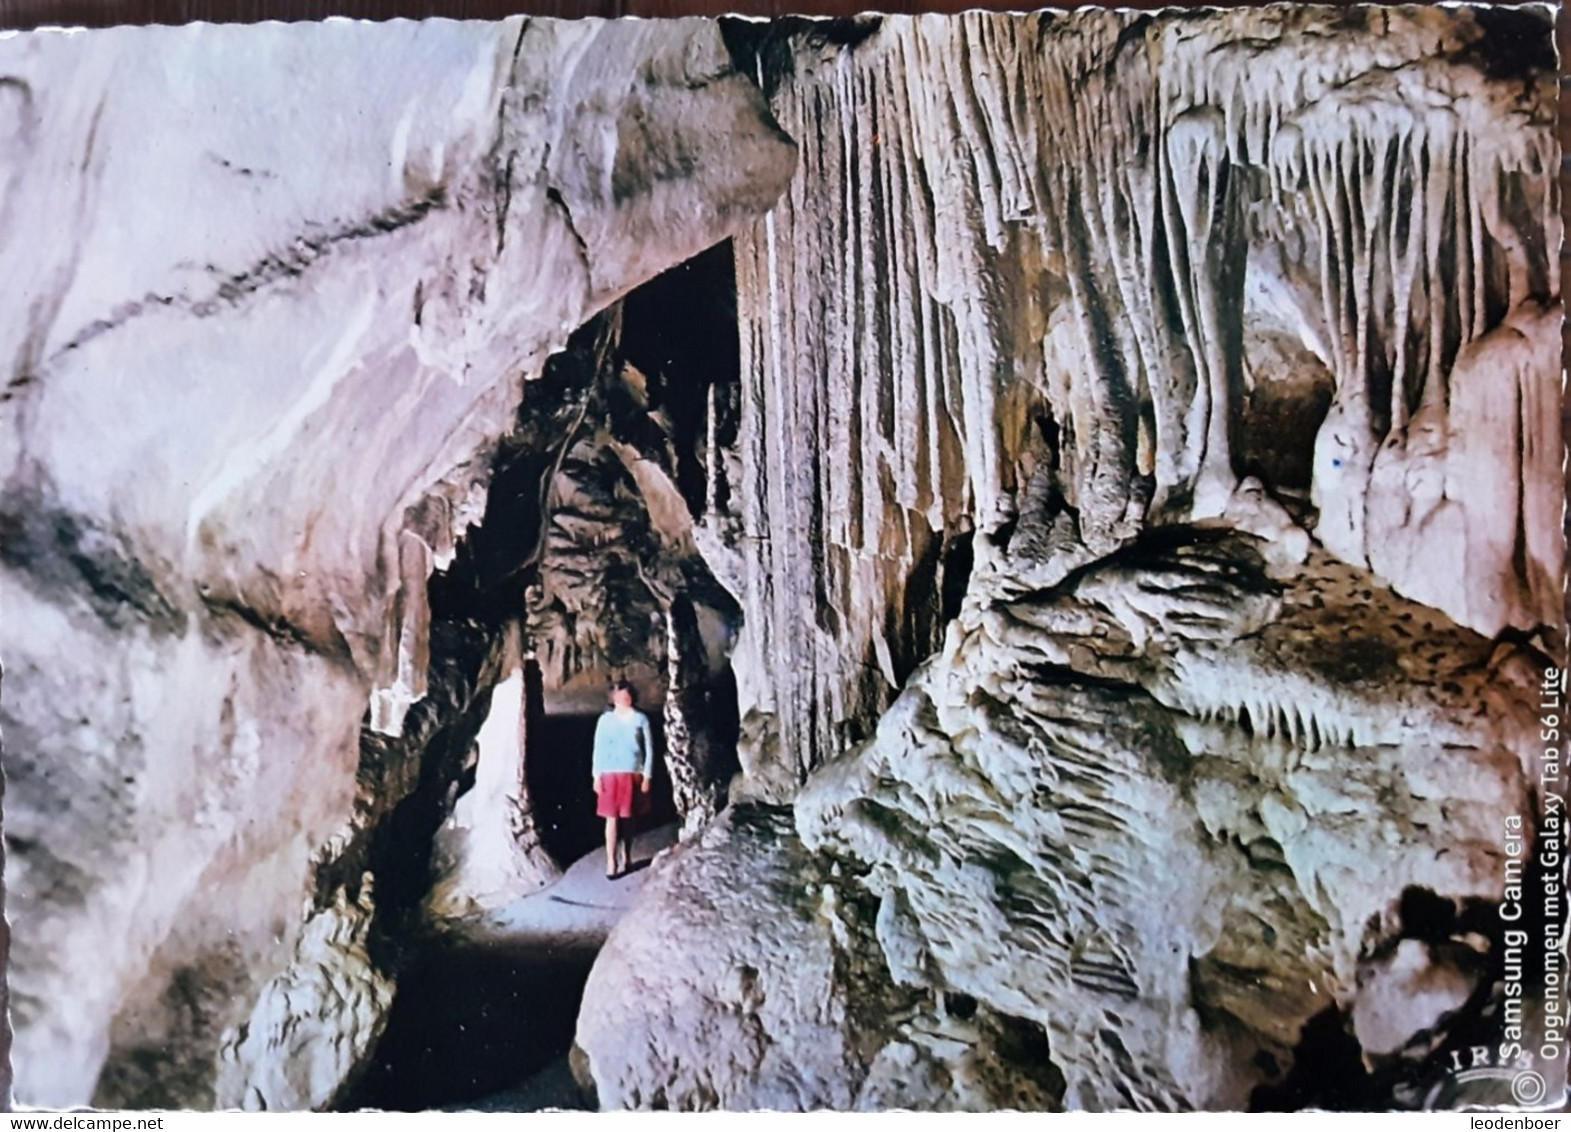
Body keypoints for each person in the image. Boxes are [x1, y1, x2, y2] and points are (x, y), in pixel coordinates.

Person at [592, 680, 654, 879]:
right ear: (613, 698)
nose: (624, 698)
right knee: (611, 819)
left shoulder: (641, 719)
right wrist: (596, 775)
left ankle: (626, 855)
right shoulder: (605, 720)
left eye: (627, 695)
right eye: (620, 695)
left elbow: (649, 750)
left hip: (632, 773)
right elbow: (598, 749)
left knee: (628, 819)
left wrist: (647, 775)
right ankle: (612, 861)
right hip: (609, 773)